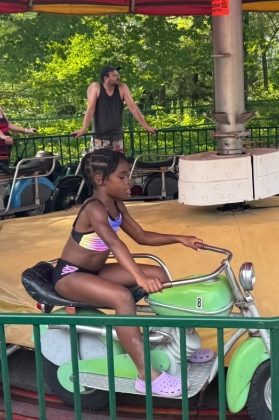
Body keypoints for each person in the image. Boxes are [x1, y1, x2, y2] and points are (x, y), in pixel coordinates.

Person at [53, 148, 206, 398]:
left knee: (158, 273)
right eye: (123, 177)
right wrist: (138, 278)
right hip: (70, 276)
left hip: (95, 271)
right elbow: (115, 244)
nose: (130, 182)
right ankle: (147, 377)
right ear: (101, 180)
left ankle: (178, 344)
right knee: (122, 297)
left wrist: (180, 238)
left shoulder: (117, 205)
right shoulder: (94, 208)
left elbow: (141, 236)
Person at [73, 66, 156, 151]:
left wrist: (146, 127)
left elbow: (133, 107)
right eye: (114, 76)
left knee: (118, 163)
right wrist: (83, 129)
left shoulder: (122, 87)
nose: (118, 77)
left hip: (117, 138)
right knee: (100, 163)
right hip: (99, 138)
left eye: (118, 75)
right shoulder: (96, 87)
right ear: (106, 78)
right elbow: (90, 109)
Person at [0, 81, 37, 162]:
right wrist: (2, 136)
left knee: (6, 173)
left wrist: (26, 131)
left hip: (5, 149)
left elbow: (7, 124)